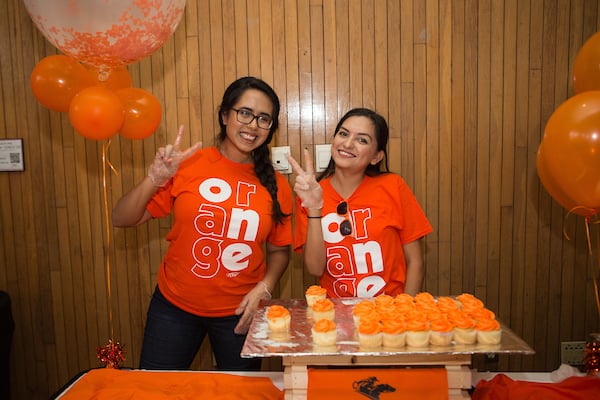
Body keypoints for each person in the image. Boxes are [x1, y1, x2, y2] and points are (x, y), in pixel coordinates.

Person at [112, 76, 293, 371]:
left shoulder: (277, 185)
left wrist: (266, 286)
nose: (253, 125)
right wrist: (154, 179)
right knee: (158, 391)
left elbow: (279, 250)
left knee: (240, 395)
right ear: (225, 115)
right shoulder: (188, 164)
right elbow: (121, 218)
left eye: (264, 119)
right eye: (244, 113)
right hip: (173, 307)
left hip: (240, 313)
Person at [288, 107, 432, 298]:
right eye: (343, 133)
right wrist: (315, 207)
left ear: (376, 157)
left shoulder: (393, 186)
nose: (347, 143)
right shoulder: (311, 193)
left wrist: (405, 312)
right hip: (337, 315)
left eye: (362, 139)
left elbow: (415, 261)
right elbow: (315, 268)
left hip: (390, 314)